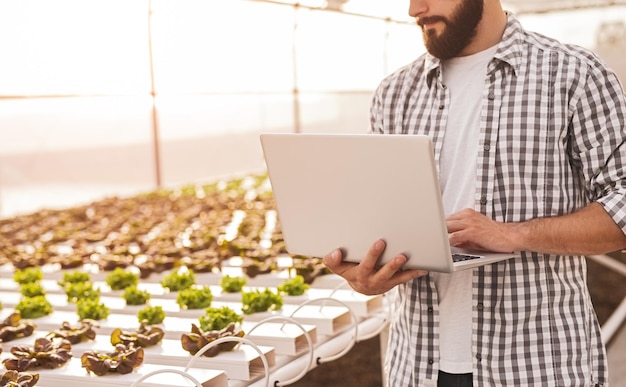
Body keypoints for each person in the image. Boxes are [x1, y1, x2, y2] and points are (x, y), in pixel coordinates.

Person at [322, 0, 626, 386]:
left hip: (538, 365)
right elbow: (384, 215)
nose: (415, 9)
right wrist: (368, 272)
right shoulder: (395, 93)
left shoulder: (573, 75)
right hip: (418, 367)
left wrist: (515, 234)